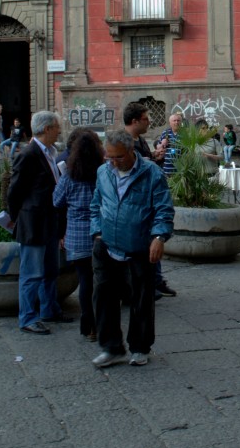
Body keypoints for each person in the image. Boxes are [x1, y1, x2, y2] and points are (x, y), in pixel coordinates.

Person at [89, 128, 174, 368]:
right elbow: (96, 204)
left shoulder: (151, 173)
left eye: (119, 157)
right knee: (103, 298)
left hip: (139, 246)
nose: (114, 163)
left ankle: (140, 346)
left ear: (131, 151)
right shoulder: (103, 172)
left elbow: (163, 209)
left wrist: (159, 237)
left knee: (141, 299)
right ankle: (111, 347)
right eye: (110, 157)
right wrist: (96, 232)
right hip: (106, 245)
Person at [7, 110, 73, 335]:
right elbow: (14, 191)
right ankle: (27, 317)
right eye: (56, 127)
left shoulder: (52, 152)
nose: (59, 130)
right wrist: (15, 217)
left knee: (50, 270)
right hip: (33, 222)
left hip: (50, 220)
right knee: (32, 273)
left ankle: (49, 309)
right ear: (47, 129)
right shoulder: (28, 154)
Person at [52, 129, 103, 340]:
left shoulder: (69, 177)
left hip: (76, 235)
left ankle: (87, 325)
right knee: (99, 281)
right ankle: (100, 324)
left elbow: (56, 202)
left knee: (84, 281)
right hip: (100, 234)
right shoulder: (103, 174)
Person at [123, 102, 176, 298]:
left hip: (149, 198)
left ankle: (156, 280)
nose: (150, 122)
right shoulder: (125, 142)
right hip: (137, 202)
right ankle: (146, 284)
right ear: (135, 121)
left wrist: (155, 157)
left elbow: (145, 162)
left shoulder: (141, 140)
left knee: (154, 240)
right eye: (146, 118)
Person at [155, 113, 183, 177]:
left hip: (181, 168)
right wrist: (162, 143)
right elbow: (158, 148)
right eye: (174, 120)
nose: (176, 122)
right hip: (167, 168)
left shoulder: (185, 133)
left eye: (178, 120)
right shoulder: (166, 133)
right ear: (170, 123)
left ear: (181, 122)